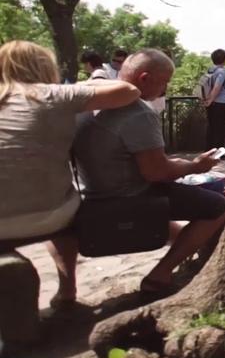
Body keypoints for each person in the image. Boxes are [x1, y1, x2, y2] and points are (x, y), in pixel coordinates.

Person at [74, 49, 225, 294]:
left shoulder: (89, 103)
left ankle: (193, 254)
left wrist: (173, 163)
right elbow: (156, 173)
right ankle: (160, 275)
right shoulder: (139, 112)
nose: (165, 89)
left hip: (93, 191)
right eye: (165, 81)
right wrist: (196, 166)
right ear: (144, 78)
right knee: (218, 206)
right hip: (128, 195)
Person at [0, 40, 139, 307]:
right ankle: (67, 289)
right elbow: (129, 90)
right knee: (67, 205)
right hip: (48, 216)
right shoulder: (56, 94)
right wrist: (82, 86)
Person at [201, 49, 225, 150]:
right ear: (224, 59)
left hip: (210, 103)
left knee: (211, 127)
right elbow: (217, 87)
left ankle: (209, 150)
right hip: (220, 103)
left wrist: (208, 100)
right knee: (220, 128)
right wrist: (211, 99)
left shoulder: (210, 70)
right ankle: (219, 152)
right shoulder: (222, 71)